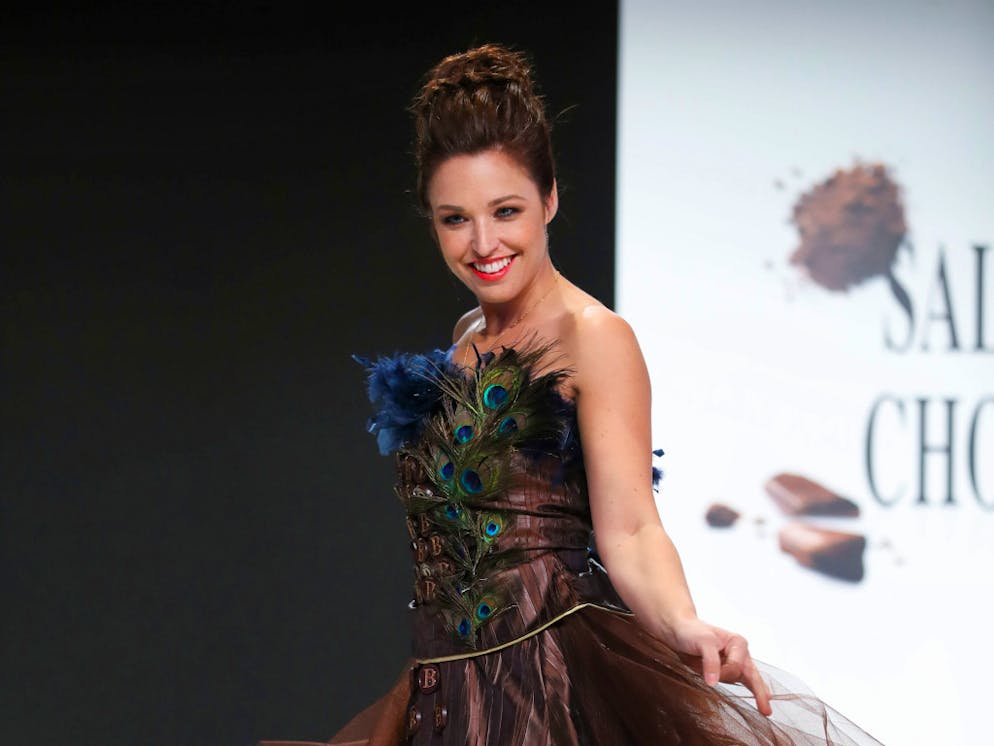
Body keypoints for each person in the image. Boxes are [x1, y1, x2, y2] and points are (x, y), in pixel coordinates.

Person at [261, 43, 881, 746]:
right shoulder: (465, 337)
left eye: (506, 210)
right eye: (455, 218)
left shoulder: (595, 336)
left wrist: (682, 623)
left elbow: (632, 528)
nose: (483, 242)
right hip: (444, 690)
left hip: (542, 689)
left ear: (550, 198)